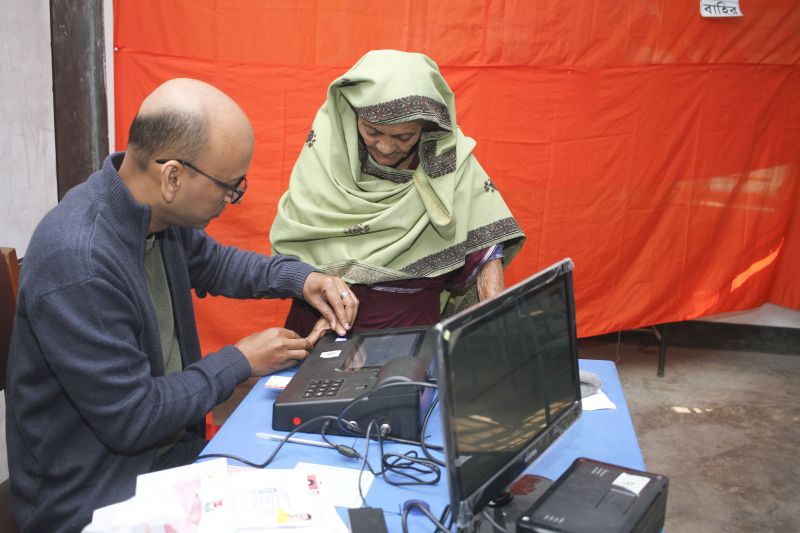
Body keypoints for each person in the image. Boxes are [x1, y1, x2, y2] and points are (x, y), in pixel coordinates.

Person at [5, 78, 358, 533]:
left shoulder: (148, 214)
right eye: (229, 187)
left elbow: (217, 263)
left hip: (168, 457)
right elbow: (133, 418)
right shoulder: (80, 261)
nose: (231, 201)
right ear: (172, 175)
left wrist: (302, 278)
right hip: (95, 500)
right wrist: (241, 360)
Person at [270, 50, 525, 336]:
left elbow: (487, 242)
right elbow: (296, 246)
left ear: (428, 128)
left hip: (411, 330)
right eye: (373, 132)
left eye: (404, 137)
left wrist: (496, 318)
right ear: (351, 116)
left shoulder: (451, 162)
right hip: (322, 323)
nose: (386, 147)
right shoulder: (325, 160)